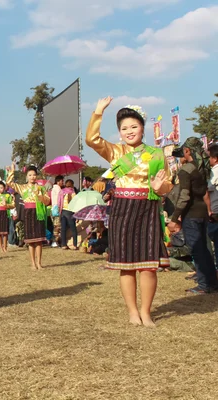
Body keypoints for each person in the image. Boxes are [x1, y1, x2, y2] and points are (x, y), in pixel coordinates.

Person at [86, 97, 172, 327]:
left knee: (148, 264)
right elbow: (92, 139)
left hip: (148, 209)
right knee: (126, 265)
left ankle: (146, 311)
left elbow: (168, 184)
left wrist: (159, 187)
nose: (129, 131)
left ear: (142, 128)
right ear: (119, 133)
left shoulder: (156, 154)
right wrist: (98, 112)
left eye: (134, 126)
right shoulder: (115, 152)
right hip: (123, 209)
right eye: (124, 128)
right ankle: (133, 312)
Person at [171, 138, 216, 294]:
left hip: (191, 214)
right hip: (203, 213)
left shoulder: (186, 170)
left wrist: (175, 217)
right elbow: (204, 193)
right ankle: (212, 283)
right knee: (204, 249)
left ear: (187, 151)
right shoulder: (203, 168)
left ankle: (203, 285)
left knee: (197, 250)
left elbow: (184, 195)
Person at [6, 166, 50, 269]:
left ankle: (39, 263)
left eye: (34, 175)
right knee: (31, 240)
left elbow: (47, 201)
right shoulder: (22, 187)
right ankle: (33, 263)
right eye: (30, 175)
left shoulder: (41, 188)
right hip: (28, 213)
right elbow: (9, 183)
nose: (32, 177)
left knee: (39, 240)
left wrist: (40, 197)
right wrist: (12, 171)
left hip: (38, 213)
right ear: (27, 176)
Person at [59, 179, 78, 250]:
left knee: (63, 229)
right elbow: (76, 203)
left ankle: (63, 244)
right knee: (73, 229)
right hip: (70, 212)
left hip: (63, 211)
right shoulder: (73, 192)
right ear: (72, 185)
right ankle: (75, 245)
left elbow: (59, 202)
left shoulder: (62, 192)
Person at [50, 175, 64, 248]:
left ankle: (55, 241)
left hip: (53, 209)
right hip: (57, 209)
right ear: (58, 181)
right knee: (57, 227)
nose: (63, 182)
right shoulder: (58, 189)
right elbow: (59, 201)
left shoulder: (53, 189)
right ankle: (56, 241)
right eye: (62, 181)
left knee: (55, 226)